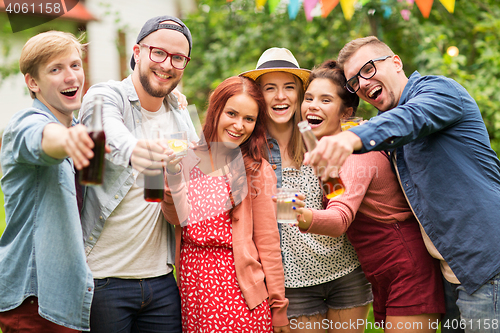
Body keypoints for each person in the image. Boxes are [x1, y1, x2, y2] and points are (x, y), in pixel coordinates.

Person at [306, 36, 500, 333]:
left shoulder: (438, 91)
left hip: (485, 266)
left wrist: (351, 138)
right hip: (448, 272)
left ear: (396, 62)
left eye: (368, 69)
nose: (363, 82)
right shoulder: (381, 132)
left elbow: (413, 118)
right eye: (354, 81)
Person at [293, 59, 445, 331]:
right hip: (382, 272)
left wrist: (299, 215)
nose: (313, 106)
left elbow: (339, 219)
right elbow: (337, 194)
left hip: (407, 268)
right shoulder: (333, 154)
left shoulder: (356, 157)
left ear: (345, 112)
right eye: (309, 98)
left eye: (325, 100)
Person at [78, 16, 198, 333]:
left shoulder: (180, 113)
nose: (167, 64)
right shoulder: (106, 95)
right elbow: (107, 129)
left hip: (161, 280)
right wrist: (135, 151)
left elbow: (196, 178)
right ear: (137, 51)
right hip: (104, 280)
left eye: (178, 58)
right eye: (158, 52)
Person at [241, 48, 372, 332]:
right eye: (269, 88)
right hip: (294, 284)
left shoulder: (319, 136)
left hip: (345, 273)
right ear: (258, 96)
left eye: (289, 87)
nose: (280, 96)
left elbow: (338, 194)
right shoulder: (250, 147)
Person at [161, 76, 290, 332]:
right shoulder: (185, 157)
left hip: (239, 291)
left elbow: (268, 242)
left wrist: (279, 308)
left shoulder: (256, 169)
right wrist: (172, 175)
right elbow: (174, 218)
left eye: (249, 119)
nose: (239, 125)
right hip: (193, 286)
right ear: (216, 110)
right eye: (232, 113)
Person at [0, 31, 98, 332]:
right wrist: (68, 140)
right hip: (34, 300)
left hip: (71, 294)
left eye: (75, 66)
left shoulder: (83, 130)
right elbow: (44, 139)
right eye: (56, 69)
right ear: (33, 82)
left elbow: (97, 193)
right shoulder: (24, 124)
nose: (71, 77)